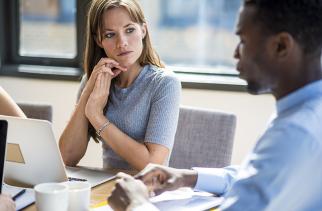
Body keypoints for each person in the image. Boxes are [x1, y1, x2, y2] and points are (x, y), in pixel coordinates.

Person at [108, 0, 322, 210]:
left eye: (243, 41)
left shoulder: (294, 133)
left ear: (281, 46)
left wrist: (135, 204)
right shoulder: (305, 111)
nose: (236, 53)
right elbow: (261, 174)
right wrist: (188, 177)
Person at [59, 0, 181, 171]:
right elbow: (66, 157)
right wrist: (89, 90)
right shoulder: (93, 80)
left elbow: (152, 165)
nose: (122, 42)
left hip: (147, 190)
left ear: (143, 30)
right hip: (105, 187)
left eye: (129, 30)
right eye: (110, 34)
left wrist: (96, 116)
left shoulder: (164, 83)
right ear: (99, 40)